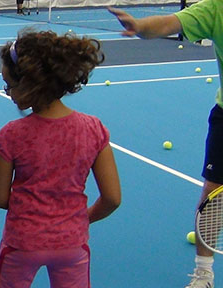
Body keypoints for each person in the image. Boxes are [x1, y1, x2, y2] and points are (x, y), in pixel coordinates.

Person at [0, 29, 121, 288]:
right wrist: (81, 217)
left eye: (9, 84)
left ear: (30, 83)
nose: (7, 92)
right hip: (72, 244)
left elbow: (0, 199)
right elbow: (113, 198)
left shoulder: (11, 135)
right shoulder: (94, 129)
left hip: (22, 244)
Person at [109, 2, 221, 287]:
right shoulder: (216, 8)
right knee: (213, 195)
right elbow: (170, 23)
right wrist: (140, 27)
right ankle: (203, 274)